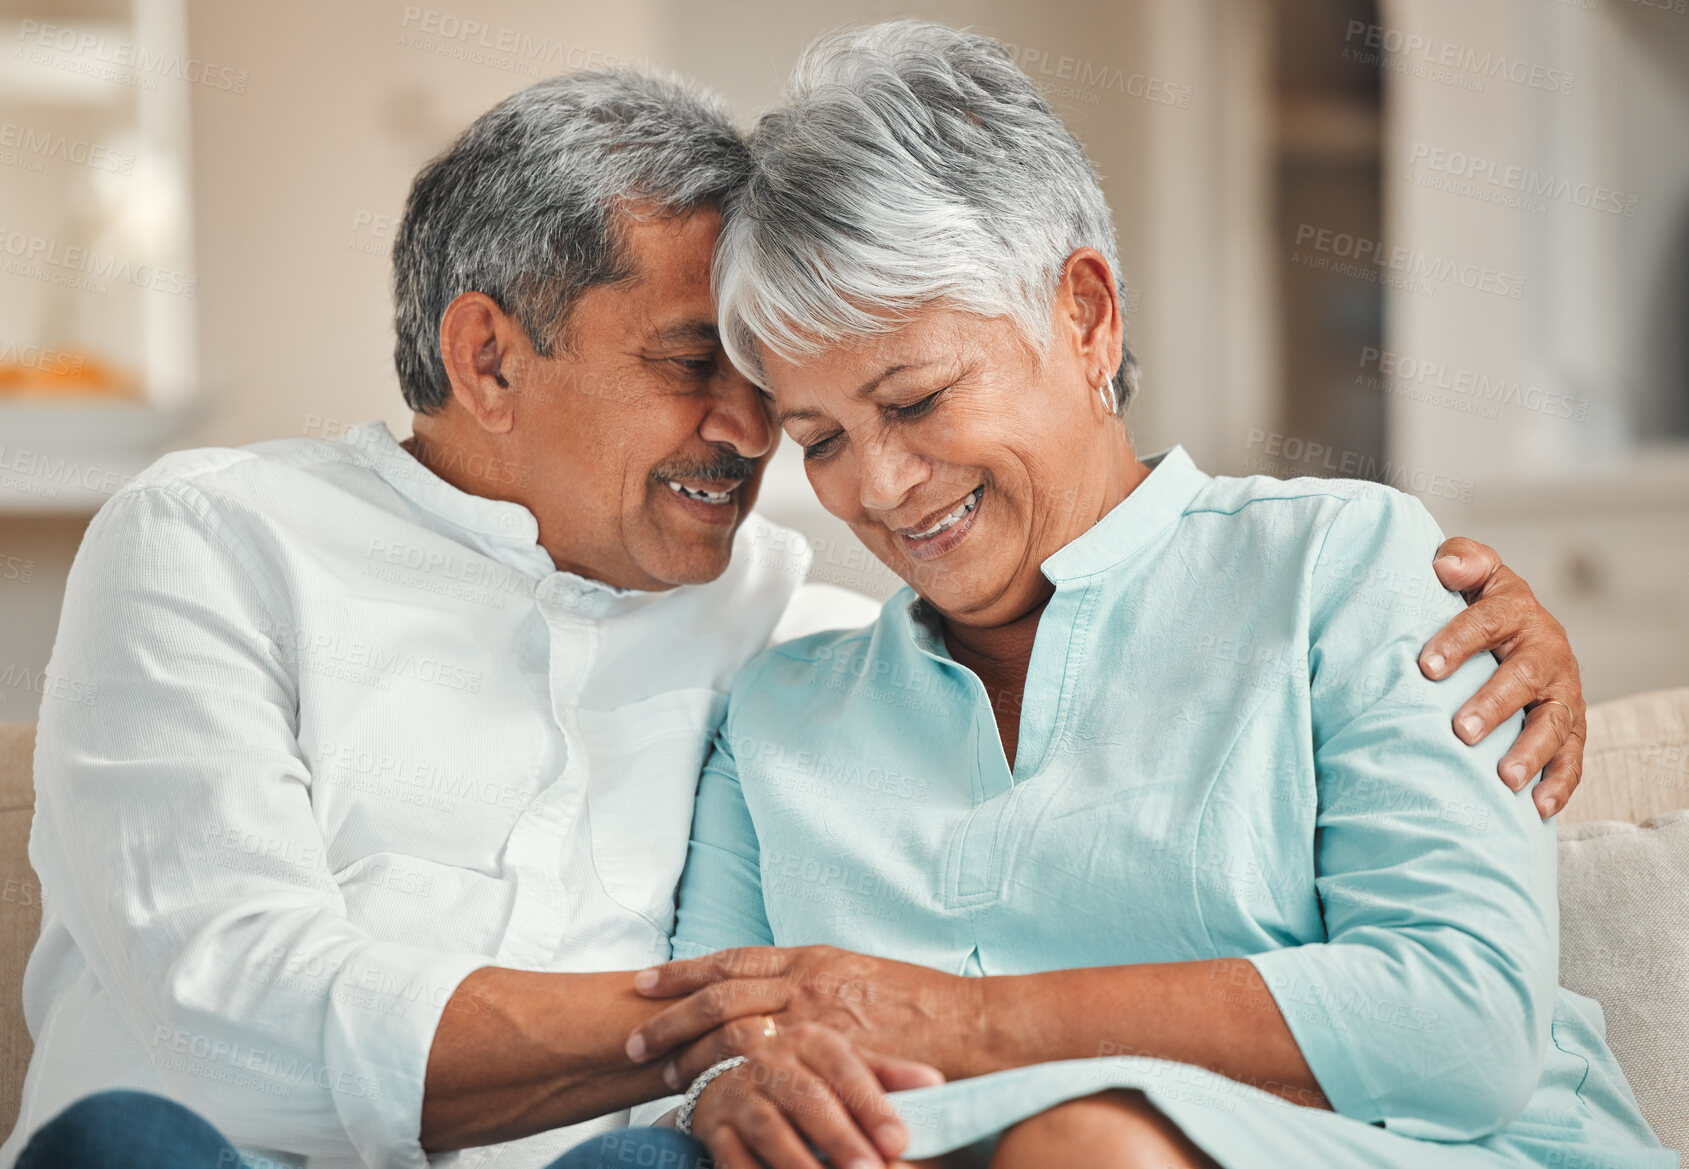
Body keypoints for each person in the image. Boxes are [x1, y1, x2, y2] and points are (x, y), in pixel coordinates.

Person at [3, 63, 1592, 1169]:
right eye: (719, 378)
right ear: (487, 358)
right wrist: (740, 1044)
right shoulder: (213, 542)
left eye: (810, 407)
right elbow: (239, 1014)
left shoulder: (788, 625)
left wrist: (1435, 608)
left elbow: (1448, 991)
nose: (791, 458)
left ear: (1085, 316)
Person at [612, 22, 1675, 1169]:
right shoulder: (777, 715)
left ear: (1085, 316)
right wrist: (731, 1091)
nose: (876, 487)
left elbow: (1463, 1019)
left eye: (916, 402)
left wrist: (964, 1024)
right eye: (820, 439)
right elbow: (712, 1049)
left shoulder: (1344, 567)